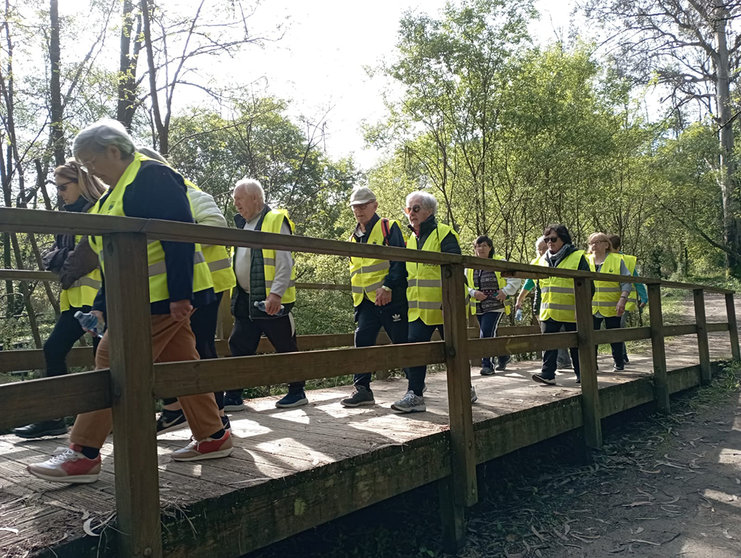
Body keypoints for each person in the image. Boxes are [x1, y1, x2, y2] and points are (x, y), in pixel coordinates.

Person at [27, 119, 232, 484]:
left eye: (92, 161)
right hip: (138, 295)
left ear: (112, 149)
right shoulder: (113, 192)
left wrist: (182, 295)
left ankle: (83, 453)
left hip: (160, 297)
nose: (91, 170)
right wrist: (103, 301)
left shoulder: (152, 175)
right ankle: (213, 436)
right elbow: (112, 255)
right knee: (183, 364)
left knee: (110, 358)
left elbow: (178, 235)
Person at [136, 147, 237, 435]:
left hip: (208, 284)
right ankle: (174, 410)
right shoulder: (150, 199)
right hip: (179, 286)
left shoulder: (193, 194)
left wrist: (177, 241)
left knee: (201, 347)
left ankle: (218, 415)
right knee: (175, 349)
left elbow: (217, 226)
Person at [13, 160, 106, 439]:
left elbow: (82, 258)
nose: (61, 193)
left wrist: (63, 260)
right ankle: (54, 417)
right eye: (58, 189)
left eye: (64, 187)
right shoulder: (66, 217)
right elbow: (54, 257)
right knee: (54, 349)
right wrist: (63, 260)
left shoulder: (98, 211)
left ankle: (105, 417)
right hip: (75, 302)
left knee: (102, 358)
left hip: (100, 300)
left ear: (82, 183)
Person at [225, 178, 306, 409]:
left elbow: (284, 261)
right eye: (234, 200)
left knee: (285, 346)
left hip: (271, 300)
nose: (236, 204)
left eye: (239, 199)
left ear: (255, 198)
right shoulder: (243, 224)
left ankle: (297, 391)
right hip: (247, 300)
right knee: (239, 346)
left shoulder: (274, 220)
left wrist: (276, 294)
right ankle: (233, 395)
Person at [391, 191, 471, 413]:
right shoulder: (411, 241)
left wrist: (452, 301)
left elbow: (455, 267)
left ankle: (466, 387)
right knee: (415, 351)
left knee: (456, 351)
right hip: (419, 310)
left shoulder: (444, 233)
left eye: (416, 209)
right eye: (408, 209)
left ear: (429, 211)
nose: (411, 214)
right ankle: (415, 395)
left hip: (446, 307)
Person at [341, 187, 408, 407]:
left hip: (389, 298)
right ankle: (362, 389)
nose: (358, 210)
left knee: (401, 342)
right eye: (355, 206)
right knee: (362, 341)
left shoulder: (389, 227)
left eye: (363, 205)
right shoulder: (352, 237)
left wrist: (388, 286)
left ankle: (415, 385)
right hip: (365, 301)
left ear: (374, 205)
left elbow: (400, 261)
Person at [531, 224, 591, 386]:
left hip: (572, 310)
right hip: (548, 310)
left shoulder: (577, 257)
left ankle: (583, 374)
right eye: (546, 239)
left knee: (577, 345)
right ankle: (548, 374)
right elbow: (539, 287)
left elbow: (589, 286)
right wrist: (536, 308)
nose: (549, 242)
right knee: (548, 344)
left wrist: (583, 309)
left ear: (563, 239)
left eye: (553, 239)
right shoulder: (542, 260)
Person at [466, 235, 521, 375]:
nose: (481, 248)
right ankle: (503, 356)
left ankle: (487, 365)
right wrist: (473, 293)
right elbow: (464, 285)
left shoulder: (499, 262)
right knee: (491, 333)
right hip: (479, 306)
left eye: (484, 245)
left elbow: (515, 279)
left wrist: (505, 291)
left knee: (485, 333)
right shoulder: (470, 266)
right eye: (478, 246)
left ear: (490, 248)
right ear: (475, 249)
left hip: (496, 305)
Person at [586, 232, 632, 372]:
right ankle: (592, 365)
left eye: (598, 242)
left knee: (614, 336)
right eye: (591, 242)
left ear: (606, 244)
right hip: (591, 307)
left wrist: (622, 300)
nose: (594, 245)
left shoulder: (617, 260)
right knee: (590, 337)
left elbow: (626, 282)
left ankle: (618, 363)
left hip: (612, 306)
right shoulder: (585, 261)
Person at [608, 234, 648, 365]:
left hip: (623, 301)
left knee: (618, 328)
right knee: (617, 328)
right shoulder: (603, 259)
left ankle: (622, 356)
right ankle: (622, 356)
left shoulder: (625, 260)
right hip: (609, 301)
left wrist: (644, 296)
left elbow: (636, 280)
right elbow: (637, 281)